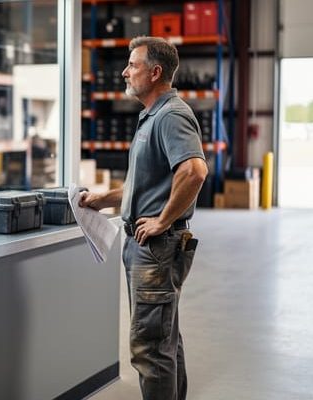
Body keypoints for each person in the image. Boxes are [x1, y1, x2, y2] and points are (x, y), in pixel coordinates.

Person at [79, 36, 208, 400]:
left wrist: (163, 221)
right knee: (163, 340)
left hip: (156, 248)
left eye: (132, 65)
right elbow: (155, 182)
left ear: (155, 72)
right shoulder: (152, 116)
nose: (124, 71)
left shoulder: (170, 115)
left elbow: (195, 171)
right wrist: (107, 198)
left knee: (150, 349)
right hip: (148, 247)